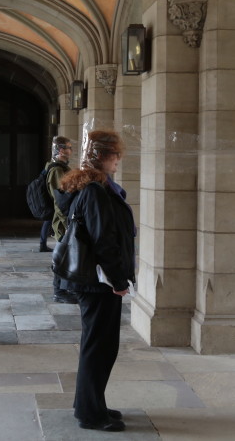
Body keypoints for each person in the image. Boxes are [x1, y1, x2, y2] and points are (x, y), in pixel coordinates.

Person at [56, 130, 136, 432]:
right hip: (98, 282)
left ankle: (90, 403)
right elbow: (104, 240)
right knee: (99, 347)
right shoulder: (94, 191)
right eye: (115, 154)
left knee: (100, 345)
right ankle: (90, 414)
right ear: (101, 156)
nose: (118, 160)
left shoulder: (96, 188)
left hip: (97, 281)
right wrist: (118, 280)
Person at [45, 136, 77, 303]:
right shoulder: (57, 170)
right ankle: (60, 291)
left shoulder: (62, 167)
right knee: (62, 255)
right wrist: (66, 220)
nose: (71, 150)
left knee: (65, 254)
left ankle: (65, 288)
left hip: (64, 218)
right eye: (69, 147)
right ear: (61, 150)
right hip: (62, 219)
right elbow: (60, 198)